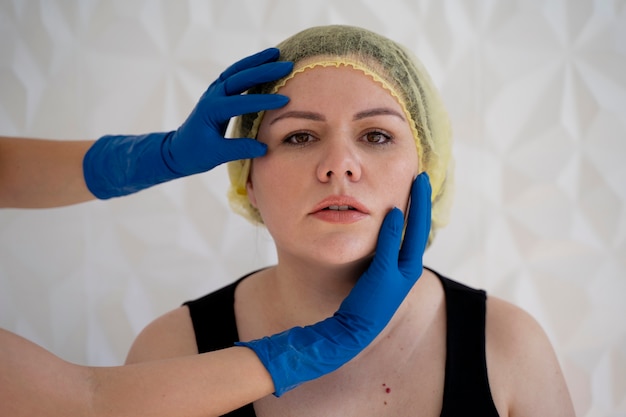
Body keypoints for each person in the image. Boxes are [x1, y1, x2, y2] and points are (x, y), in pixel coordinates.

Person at [0, 25, 575, 416]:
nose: (339, 167)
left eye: (376, 136)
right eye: (299, 136)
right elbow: (87, 402)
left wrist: (155, 155)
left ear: (428, 167)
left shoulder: (509, 347)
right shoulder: (171, 347)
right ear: (244, 174)